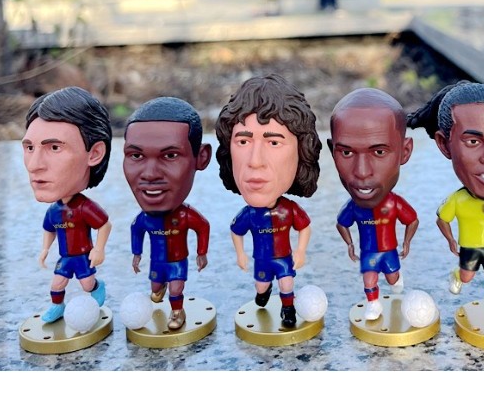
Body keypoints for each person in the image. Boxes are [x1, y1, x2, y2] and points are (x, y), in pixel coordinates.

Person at [215, 74, 321, 328]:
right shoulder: (249, 215)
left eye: (273, 142)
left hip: (283, 259)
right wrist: (241, 254)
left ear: (302, 151)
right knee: (261, 286)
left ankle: (288, 310)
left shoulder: (289, 210)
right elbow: (236, 231)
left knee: (286, 283)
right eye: (243, 141)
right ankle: (263, 294)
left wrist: (300, 251)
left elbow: (304, 226)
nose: (255, 161)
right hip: (261, 261)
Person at [408, 80, 484, 315]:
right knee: (467, 276)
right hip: (468, 247)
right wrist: (451, 240)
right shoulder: (458, 200)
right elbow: (442, 219)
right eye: (473, 142)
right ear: (444, 144)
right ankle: (457, 275)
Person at [22, 86, 112, 323]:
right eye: (29, 147)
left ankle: (97, 287)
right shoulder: (54, 211)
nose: (33, 165)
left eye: (54, 147)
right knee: (57, 284)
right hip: (65, 257)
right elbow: (49, 229)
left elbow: (104, 224)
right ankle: (57, 306)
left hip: (82, 257)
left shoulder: (85, 208)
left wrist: (99, 249)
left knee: (87, 283)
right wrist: (44, 250)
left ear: (94, 153)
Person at [123, 97, 212, 331]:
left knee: (176, 290)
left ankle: (177, 311)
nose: (150, 174)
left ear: (201, 158)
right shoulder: (144, 219)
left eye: (170, 156)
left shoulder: (185, 216)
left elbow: (202, 226)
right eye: (136, 156)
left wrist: (201, 253)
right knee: (155, 292)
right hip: (157, 262)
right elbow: (136, 230)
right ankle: (159, 289)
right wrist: (136, 254)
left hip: (177, 261)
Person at [329, 88, 418, 321]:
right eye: (346, 153)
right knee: (369, 279)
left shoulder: (394, 203)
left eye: (379, 151)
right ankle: (373, 304)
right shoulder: (353, 207)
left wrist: (407, 242)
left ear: (405, 151)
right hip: (368, 252)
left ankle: (396, 283)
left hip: (389, 252)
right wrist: (350, 244)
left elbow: (412, 220)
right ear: (332, 151)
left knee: (392, 278)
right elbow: (341, 223)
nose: (362, 172)